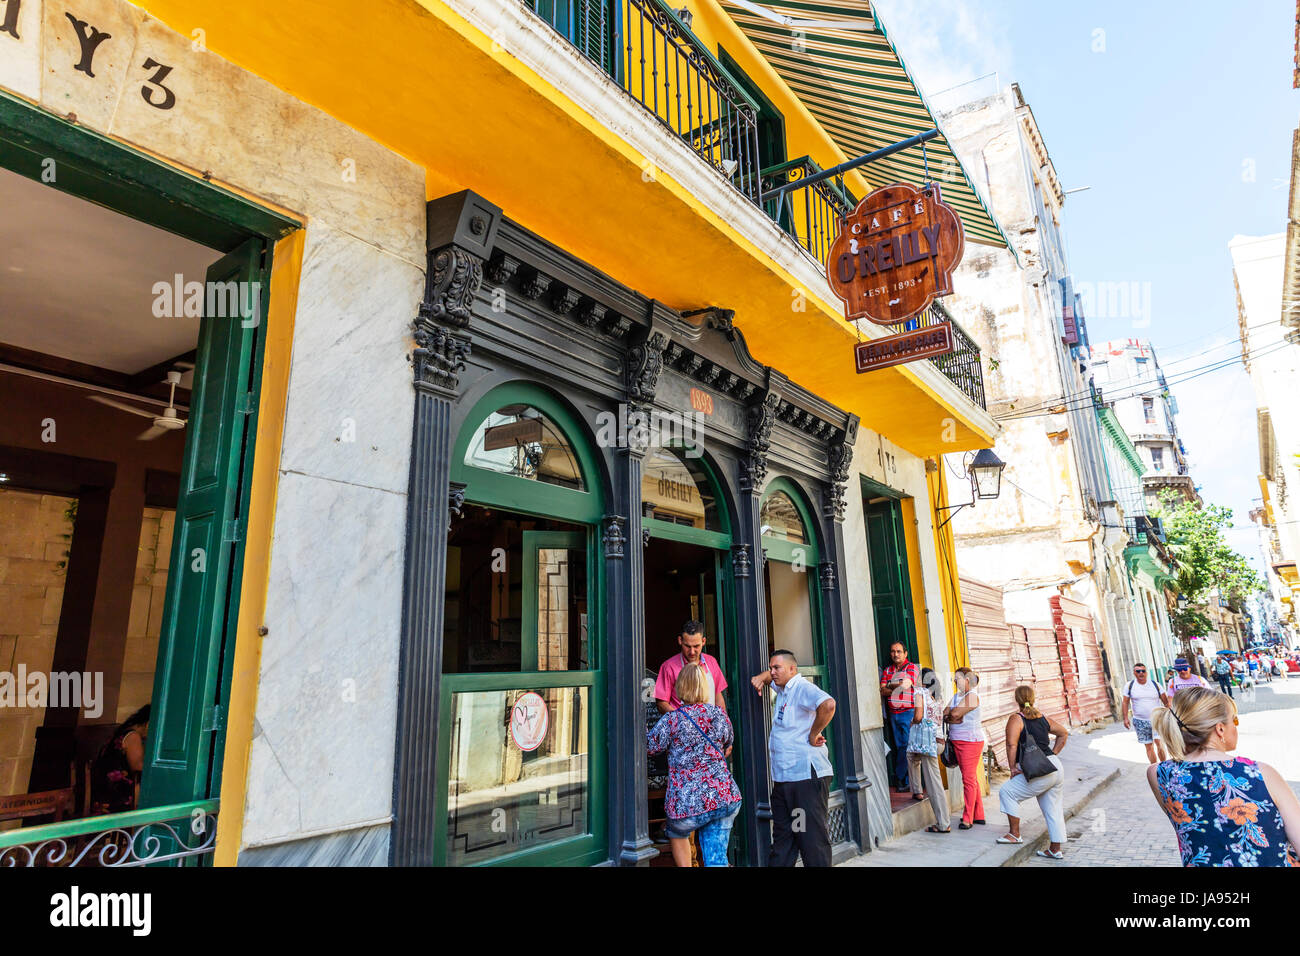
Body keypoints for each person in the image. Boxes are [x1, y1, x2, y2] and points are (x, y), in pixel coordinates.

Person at [1147, 686, 1300, 866]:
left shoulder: (1158, 773)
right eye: (1234, 721)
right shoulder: (1261, 773)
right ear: (1220, 729)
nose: (1236, 727)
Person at [646, 663, 743, 866]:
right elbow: (728, 744)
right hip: (724, 797)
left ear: (680, 687)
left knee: (675, 830)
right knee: (717, 860)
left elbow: (650, 746)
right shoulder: (719, 715)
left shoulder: (672, 720)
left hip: (688, 804)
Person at [750, 649, 836, 866]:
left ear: (792, 669)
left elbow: (828, 705)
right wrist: (762, 677)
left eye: (776, 667)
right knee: (784, 840)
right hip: (785, 779)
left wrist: (813, 733)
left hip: (805, 778)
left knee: (811, 840)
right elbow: (770, 678)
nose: (772, 672)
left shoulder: (803, 688)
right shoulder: (784, 689)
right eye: (771, 667)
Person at [996, 686, 1070, 861]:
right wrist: (1053, 754)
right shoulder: (1042, 717)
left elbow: (1011, 745)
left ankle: (1014, 834)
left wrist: (1012, 767)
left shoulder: (1016, 718)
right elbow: (1063, 733)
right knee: (1053, 809)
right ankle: (1055, 849)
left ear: (1017, 699)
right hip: (1055, 766)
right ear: (1033, 698)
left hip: (1040, 769)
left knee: (1007, 792)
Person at [908, 667, 951, 833]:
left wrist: (913, 721)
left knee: (934, 785)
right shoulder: (937, 696)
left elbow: (918, 716)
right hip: (938, 741)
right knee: (911, 755)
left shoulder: (920, 692)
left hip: (928, 743)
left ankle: (943, 823)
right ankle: (917, 790)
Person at [654, 620, 728, 715]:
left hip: (709, 726)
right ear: (680, 641)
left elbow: (718, 696)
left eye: (696, 646)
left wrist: (722, 720)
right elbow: (661, 703)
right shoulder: (668, 667)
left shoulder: (711, 662)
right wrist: (682, 719)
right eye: (687, 646)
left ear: (703, 641)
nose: (692, 652)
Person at [943, 666, 985, 829]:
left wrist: (953, 716)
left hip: (970, 742)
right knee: (971, 779)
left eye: (958, 677)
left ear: (967, 680)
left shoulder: (973, 696)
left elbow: (952, 715)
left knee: (968, 780)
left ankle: (968, 818)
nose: (955, 680)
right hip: (958, 741)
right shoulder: (956, 697)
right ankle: (979, 814)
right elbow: (945, 714)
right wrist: (953, 716)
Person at [89, 704, 150, 816]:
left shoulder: (121, 732)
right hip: (116, 791)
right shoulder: (133, 736)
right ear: (148, 723)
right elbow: (137, 765)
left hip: (102, 786)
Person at [879, 642, 920, 792]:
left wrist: (890, 685)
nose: (895, 654)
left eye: (898, 651)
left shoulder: (912, 668)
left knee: (906, 746)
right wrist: (894, 686)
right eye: (892, 651)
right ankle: (906, 779)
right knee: (900, 746)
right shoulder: (888, 670)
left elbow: (906, 685)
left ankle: (902, 778)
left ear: (905, 653)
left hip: (907, 712)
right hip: (893, 714)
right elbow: (882, 691)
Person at [1122, 662, 1169, 764]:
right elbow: (1125, 702)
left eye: (1143, 671)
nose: (1141, 673)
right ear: (1134, 673)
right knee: (1148, 745)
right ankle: (1154, 768)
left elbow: (1166, 702)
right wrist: (1125, 718)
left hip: (1156, 719)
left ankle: (1164, 766)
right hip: (1140, 721)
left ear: (1146, 672)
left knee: (1159, 743)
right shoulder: (1129, 686)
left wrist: (1169, 716)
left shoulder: (1155, 685)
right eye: (1138, 671)